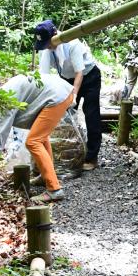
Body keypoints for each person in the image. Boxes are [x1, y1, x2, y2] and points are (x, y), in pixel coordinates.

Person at [0, 74, 76, 203]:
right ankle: (44, 176)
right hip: (60, 91)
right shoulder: (2, 94)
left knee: (33, 142)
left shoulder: (3, 106)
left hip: (57, 96)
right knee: (40, 137)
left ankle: (54, 190)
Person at [34, 20, 104, 171]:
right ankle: (70, 154)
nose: (48, 47)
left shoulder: (72, 43)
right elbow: (44, 76)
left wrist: (73, 95)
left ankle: (92, 157)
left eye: (48, 43)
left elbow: (79, 72)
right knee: (65, 116)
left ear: (54, 37)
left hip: (89, 76)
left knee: (91, 114)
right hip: (67, 78)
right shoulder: (45, 50)